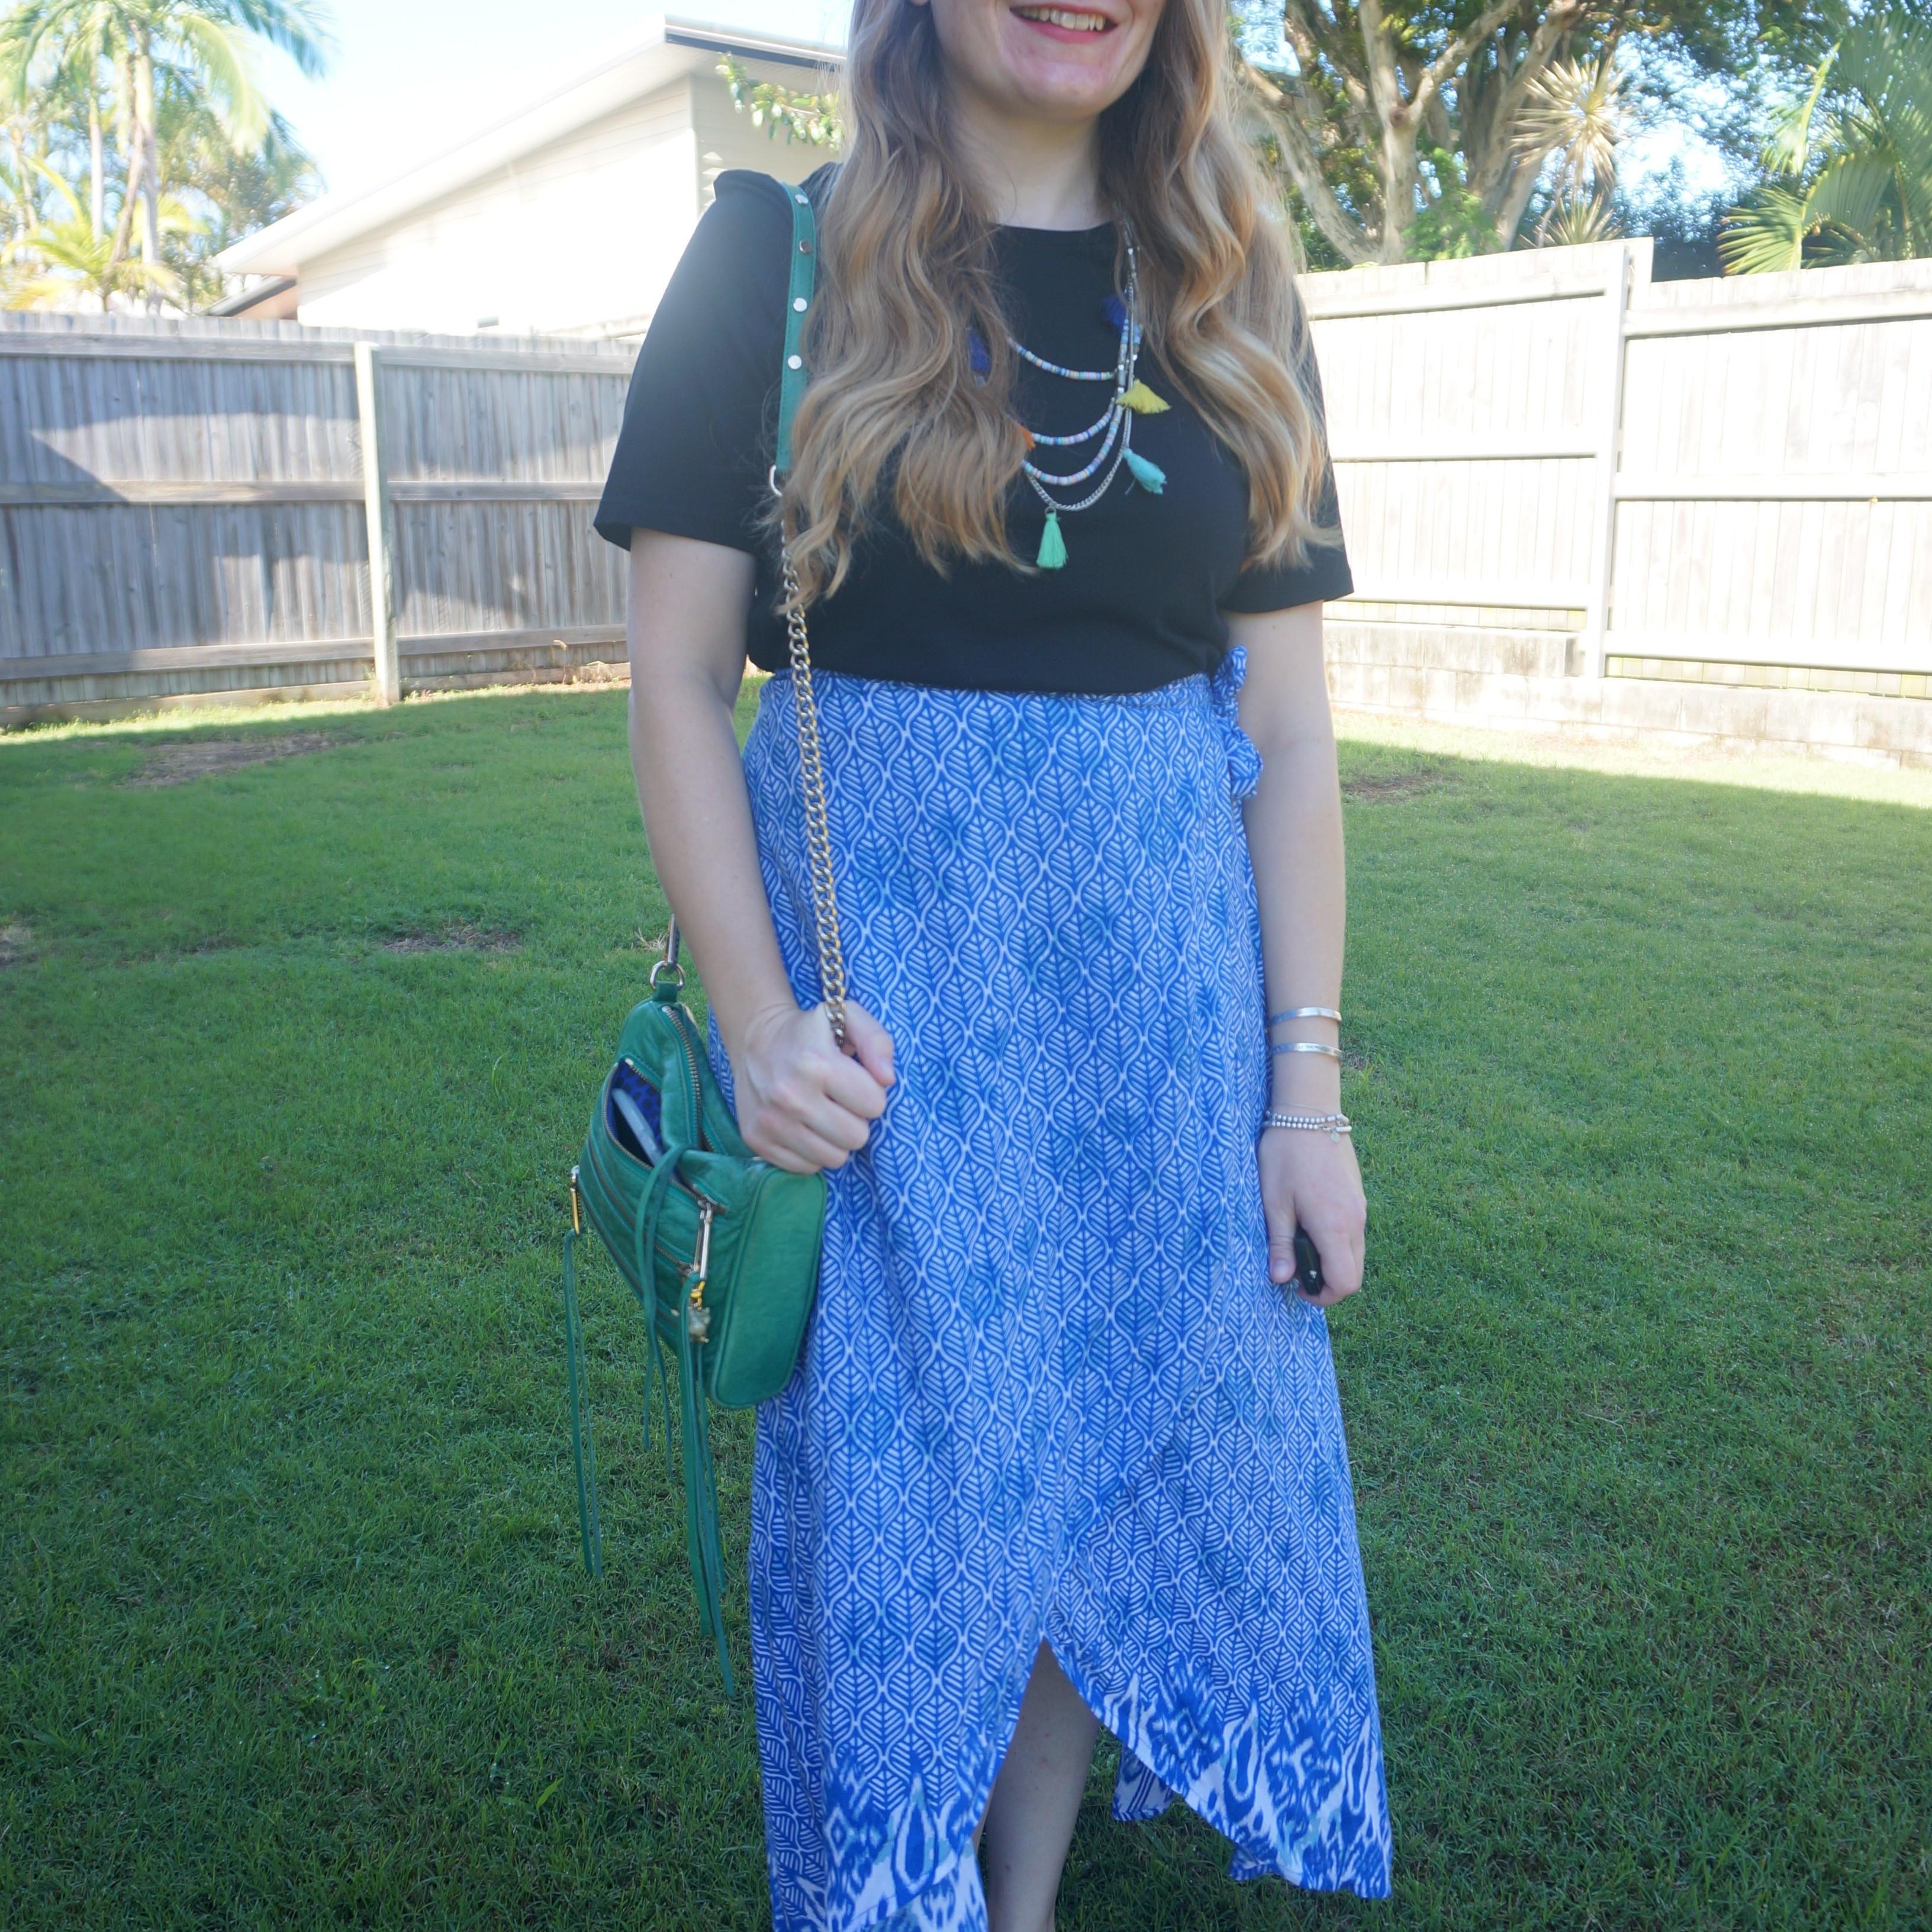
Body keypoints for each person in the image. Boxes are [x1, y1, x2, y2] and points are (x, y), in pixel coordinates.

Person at [594, 1, 1391, 1923]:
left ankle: (1015, 1901)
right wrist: (761, 1022)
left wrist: (1307, 1097)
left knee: (1085, 1485)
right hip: (886, 1067)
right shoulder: (769, 261)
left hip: (1160, 1054)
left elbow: (1286, 740)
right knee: (902, 1504)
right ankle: (887, 1872)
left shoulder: (1229, 293)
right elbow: (679, 680)